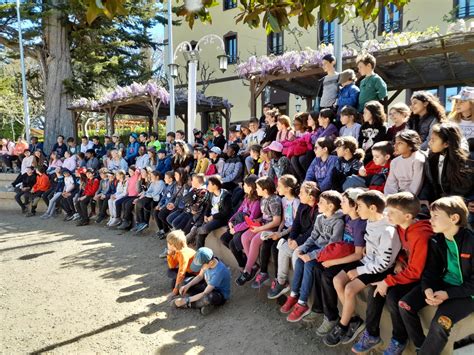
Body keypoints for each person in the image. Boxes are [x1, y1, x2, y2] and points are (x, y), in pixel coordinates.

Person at [352, 192, 433, 355]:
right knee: (376, 292)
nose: (386, 214)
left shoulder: (420, 235)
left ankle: (399, 339)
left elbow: (416, 272)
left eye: (391, 212)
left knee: (393, 296)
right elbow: (403, 250)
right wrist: (399, 261)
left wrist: (388, 281)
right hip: (406, 270)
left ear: (407, 216)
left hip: (423, 277)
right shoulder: (401, 226)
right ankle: (372, 334)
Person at [323, 190, 401, 347]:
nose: (356, 210)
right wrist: (366, 249)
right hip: (367, 261)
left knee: (350, 289)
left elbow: (384, 263)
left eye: (359, 206)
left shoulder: (388, 230)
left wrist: (358, 271)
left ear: (372, 208)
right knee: (337, 280)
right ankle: (352, 318)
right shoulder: (370, 220)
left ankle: (343, 325)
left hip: (379, 269)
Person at [399, 196, 474, 354]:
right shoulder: (436, 240)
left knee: (441, 323)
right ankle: (422, 347)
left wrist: (447, 294)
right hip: (445, 283)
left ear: (454, 218)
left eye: (436, 216)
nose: (430, 220)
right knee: (405, 305)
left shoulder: (471, 242)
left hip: (468, 293)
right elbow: (430, 271)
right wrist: (428, 288)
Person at [280, 190, 344, 323]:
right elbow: (313, 236)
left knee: (309, 264)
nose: (318, 204)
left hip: (327, 253)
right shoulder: (320, 217)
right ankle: (293, 294)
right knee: (299, 260)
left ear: (331, 206)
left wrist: (311, 255)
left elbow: (332, 246)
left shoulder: (338, 223)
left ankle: (302, 302)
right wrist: (302, 248)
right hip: (316, 248)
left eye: (321, 202)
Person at [310, 188, 366, 333]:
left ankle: (334, 317)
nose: (341, 204)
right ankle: (322, 309)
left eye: (344, 202)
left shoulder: (359, 224)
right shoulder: (347, 217)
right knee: (316, 267)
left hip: (352, 259)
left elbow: (358, 255)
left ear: (354, 205)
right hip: (342, 253)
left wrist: (332, 262)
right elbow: (334, 211)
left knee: (328, 275)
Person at [267, 181, 319, 300]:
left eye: (301, 193)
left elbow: (313, 230)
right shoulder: (302, 204)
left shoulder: (318, 209)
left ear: (310, 197)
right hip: (301, 238)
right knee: (284, 248)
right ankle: (281, 282)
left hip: (313, 241)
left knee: (297, 254)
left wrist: (298, 241)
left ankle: (298, 287)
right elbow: (296, 224)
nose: (299, 195)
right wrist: (291, 238)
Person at [236, 177, 282, 286]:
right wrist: (258, 220)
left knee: (255, 240)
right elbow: (265, 216)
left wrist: (260, 228)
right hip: (263, 224)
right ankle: (253, 265)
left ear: (265, 190)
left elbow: (276, 221)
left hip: (272, 227)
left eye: (257, 188)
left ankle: (247, 270)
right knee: (244, 237)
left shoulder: (274, 200)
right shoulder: (263, 198)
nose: (256, 190)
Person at [423, 122, 474, 202]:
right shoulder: (432, 155)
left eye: (433, 140)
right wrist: (424, 199)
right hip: (438, 200)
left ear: (446, 144)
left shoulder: (464, 160)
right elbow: (428, 182)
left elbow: (462, 190)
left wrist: (443, 201)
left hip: (458, 202)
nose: (429, 143)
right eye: (430, 139)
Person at [173, 247, 231, 315]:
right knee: (183, 283)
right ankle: (201, 303)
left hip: (218, 294)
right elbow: (200, 276)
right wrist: (187, 285)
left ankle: (190, 304)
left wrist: (186, 300)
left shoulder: (219, 272)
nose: (201, 268)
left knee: (209, 298)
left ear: (211, 262)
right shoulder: (207, 263)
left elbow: (205, 293)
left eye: (201, 266)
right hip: (207, 286)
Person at [221, 175, 262, 269]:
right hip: (239, 223)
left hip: (246, 227)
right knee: (224, 239)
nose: (243, 186)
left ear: (251, 187)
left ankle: (246, 266)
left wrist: (235, 229)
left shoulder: (256, 202)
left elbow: (250, 221)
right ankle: (244, 258)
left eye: (245, 185)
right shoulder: (247, 197)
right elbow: (240, 210)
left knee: (232, 244)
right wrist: (231, 220)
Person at [191, 175, 232, 249]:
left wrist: (213, 217)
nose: (207, 186)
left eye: (209, 184)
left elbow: (226, 213)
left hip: (220, 219)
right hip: (211, 216)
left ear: (215, 185)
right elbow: (209, 206)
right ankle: (199, 253)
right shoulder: (211, 194)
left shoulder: (226, 196)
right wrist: (206, 215)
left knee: (204, 229)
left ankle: (195, 232)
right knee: (201, 235)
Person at [384, 130, 425, 196]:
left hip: (412, 198)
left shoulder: (418, 160)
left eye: (400, 143)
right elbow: (390, 185)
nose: (395, 146)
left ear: (410, 146)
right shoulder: (395, 162)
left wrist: (403, 198)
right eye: (395, 143)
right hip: (398, 195)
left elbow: (416, 185)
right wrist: (389, 197)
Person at [155, 168, 189, 237]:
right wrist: (170, 204)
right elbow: (174, 196)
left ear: (181, 175)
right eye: (175, 175)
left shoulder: (185, 185)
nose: (175, 176)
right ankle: (170, 230)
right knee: (160, 214)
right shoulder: (176, 184)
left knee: (167, 216)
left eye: (176, 175)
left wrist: (174, 205)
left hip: (181, 207)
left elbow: (183, 199)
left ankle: (174, 232)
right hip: (175, 204)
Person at [165, 230, 197, 299]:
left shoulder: (183, 253)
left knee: (181, 284)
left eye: (168, 243)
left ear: (173, 245)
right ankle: (179, 285)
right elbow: (172, 266)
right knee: (170, 272)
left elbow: (181, 272)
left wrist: (175, 291)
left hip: (195, 275)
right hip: (188, 272)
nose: (167, 244)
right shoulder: (177, 251)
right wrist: (169, 255)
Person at [153, 171, 177, 239]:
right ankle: (161, 230)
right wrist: (159, 205)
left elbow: (171, 199)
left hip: (170, 205)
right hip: (164, 204)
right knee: (155, 211)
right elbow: (164, 197)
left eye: (166, 178)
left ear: (171, 179)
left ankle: (167, 229)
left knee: (161, 214)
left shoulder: (174, 186)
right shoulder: (167, 186)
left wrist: (163, 206)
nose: (164, 179)